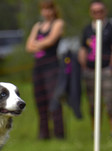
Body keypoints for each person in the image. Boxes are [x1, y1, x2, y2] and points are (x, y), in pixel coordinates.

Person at [78, 0, 112, 138]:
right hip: (90, 71)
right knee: (93, 103)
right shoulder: (87, 29)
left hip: (106, 69)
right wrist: (83, 65)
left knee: (110, 101)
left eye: (100, 11)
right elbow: (83, 49)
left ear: (105, 11)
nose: (97, 14)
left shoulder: (111, 29)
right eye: (94, 12)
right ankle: (95, 131)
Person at [25, 0, 65, 140]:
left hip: (52, 65)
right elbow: (28, 46)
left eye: (49, 9)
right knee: (40, 99)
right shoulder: (38, 26)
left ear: (54, 10)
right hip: (38, 67)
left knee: (53, 99)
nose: (46, 12)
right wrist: (39, 44)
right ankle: (43, 133)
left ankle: (59, 133)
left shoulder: (58, 23)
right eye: (44, 9)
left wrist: (37, 43)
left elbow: (51, 40)